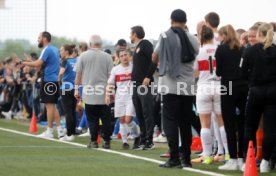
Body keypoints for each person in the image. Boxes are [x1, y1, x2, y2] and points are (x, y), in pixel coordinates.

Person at [152, 9, 199, 168]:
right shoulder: (193, 39)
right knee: (185, 123)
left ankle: (174, 158)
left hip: (170, 85)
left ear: (171, 20)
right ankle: (186, 158)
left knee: (170, 122)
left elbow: (154, 56)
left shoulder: (165, 35)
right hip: (187, 86)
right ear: (186, 21)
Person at [192, 25, 229, 165]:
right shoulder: (220, 50)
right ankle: (227, 153)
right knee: (221, 121)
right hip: (219, 86)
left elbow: (194, 73)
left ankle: (207, 155)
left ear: (201, 37)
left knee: (205, 124)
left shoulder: (198, 52)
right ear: (213, 37)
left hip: (204, 87)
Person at [242, 23, 276, 173]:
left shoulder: (250, 51)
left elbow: (242, 73)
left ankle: (247, 158)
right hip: (273, 92)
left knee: (250, 126)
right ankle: (265, 161)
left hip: (256, 91)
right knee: (270, 129)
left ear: (258, 34)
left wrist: (251, 81)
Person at [215, 25, 248, 170]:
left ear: (223, 35)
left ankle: (233, 159)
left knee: (229, 124)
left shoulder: (221, 49)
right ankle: (242, 159)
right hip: (243, 87)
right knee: (242, 124)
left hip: (228, 87)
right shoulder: (242, 48)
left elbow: (219, 72)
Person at [21, 31, 64, 139]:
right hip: (53, 81)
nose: (37, 39)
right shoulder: (55, 49)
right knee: (53, 107)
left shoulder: (47, 49)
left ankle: (49, 131)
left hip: (48, 80)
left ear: (44, 38)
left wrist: (23, 62)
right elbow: (41, 64)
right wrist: (30, 61)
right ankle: (60, 131)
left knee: (49, 107)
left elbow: (37, 64)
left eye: (39, 37)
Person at [74, 35, 113, 149]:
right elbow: (111, 76)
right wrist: (110, 91)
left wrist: (76, 89)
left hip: (88, 92)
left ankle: (93, 141)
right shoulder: (107, 57)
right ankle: (106, 141)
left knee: (92, 119)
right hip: (103, 93)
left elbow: (78, 75)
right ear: (101, 45)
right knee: (105, 119)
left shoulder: (83, 56)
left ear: (90, 44)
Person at [106, 49, 140, 149]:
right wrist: (108, 95)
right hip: (119, 97)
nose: (124, 57)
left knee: (128, 120)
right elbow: (110, 84)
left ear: (129, 56)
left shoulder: (134, 67)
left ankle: (137, 136)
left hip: (131, 96)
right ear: (119, 58)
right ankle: (125, 142)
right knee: (121, 120)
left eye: (126, 55)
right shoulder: (115, 69)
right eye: (122, 56)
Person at [130, 25, 156, 150]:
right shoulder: (137, 47)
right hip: (135, 84)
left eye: (131, 33)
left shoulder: (145, 44)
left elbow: (154, 60)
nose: (130, 36)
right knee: (139, 113)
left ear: (135, 34)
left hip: (144, 84)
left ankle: (149, 140)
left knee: (147, 112)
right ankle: (144, 138)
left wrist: (148, 76)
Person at [59, 44, 77, 141]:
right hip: (75, 87)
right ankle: (72, 132)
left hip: (66, 88)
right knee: (73, 111)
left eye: (61, 50)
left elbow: (61, 73)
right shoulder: (76, 60)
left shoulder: (65, 61)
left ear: (66, 52)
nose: (60, 52)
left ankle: (69, 134)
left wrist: (58, 81)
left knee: (67, 112)